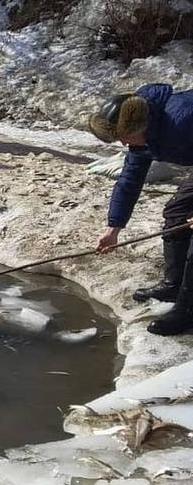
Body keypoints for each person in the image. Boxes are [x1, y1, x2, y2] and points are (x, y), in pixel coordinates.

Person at [90, 83, 193, 335]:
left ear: (137, 127)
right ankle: (173, 283)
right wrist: (113, 228)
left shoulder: (182, 121)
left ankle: (188, 311)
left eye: (123, 137)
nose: (123, 143)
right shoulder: (143, 137)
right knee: (177, 213)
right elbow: (129, 180)